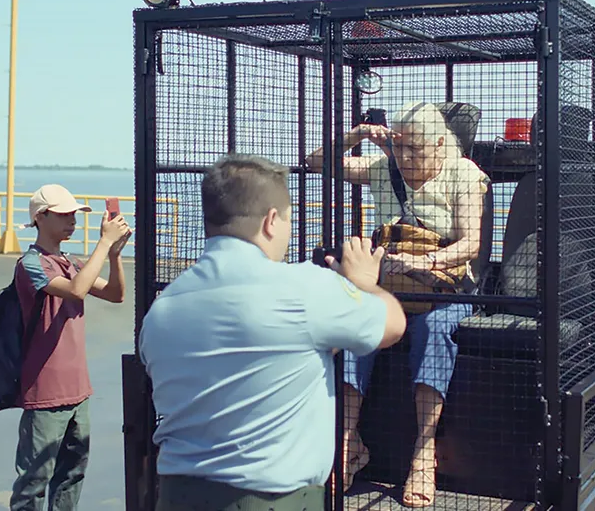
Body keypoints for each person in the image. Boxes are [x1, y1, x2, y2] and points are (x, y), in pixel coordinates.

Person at [138, 154, 407, 511]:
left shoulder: (162, 310)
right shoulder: (304, 289)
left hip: (176, 496)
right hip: (272, 500)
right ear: (270, 221)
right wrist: (362, 283)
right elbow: (393, 325)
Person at [306, 101, 490, 508]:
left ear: (439, 144)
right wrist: (356, 136)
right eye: (400, 147)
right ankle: (348, 441)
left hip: (443, 290)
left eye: (415, 149)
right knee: (355, 326)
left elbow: (471, 244)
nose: (405, 158)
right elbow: (316, 162)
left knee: (435, 330)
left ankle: (424, 452)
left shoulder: (463, 174)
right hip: (391, 287)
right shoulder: (382, 168)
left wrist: (426, 262)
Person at [10, 184, 132, 511]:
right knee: (34, 481)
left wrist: (114, 255)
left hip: (78, 391)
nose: (72, 221)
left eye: (74, 214)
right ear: (41, 217)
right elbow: (77, 290)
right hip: (46, 393)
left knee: (72, 475)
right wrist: (103, 242)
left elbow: (116, 294)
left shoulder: (71, 262)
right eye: (64, 214)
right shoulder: (31, 264)